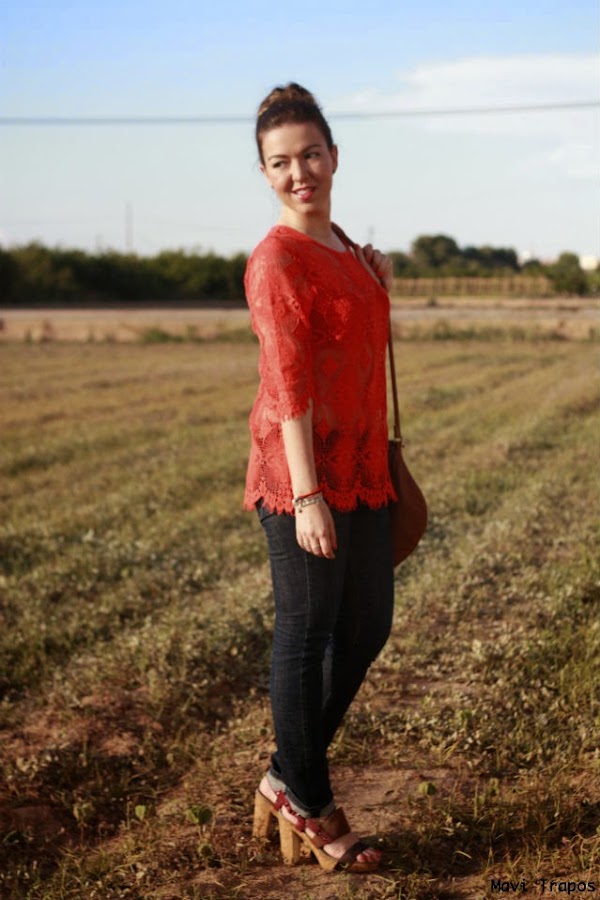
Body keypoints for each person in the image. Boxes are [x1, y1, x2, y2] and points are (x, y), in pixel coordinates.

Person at [244, 83, 396, 873]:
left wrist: (376, 281)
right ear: (264, 173)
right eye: (281, 162)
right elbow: (288, 387)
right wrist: (307, 497)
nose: (298, 172)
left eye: (310, 155)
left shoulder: (345, 248)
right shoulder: (275, 262)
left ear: (334, 156)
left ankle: (284, 773)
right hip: (300, 474)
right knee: (306, 636)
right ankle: (309, 797)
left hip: (363, 467)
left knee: (367, 625)